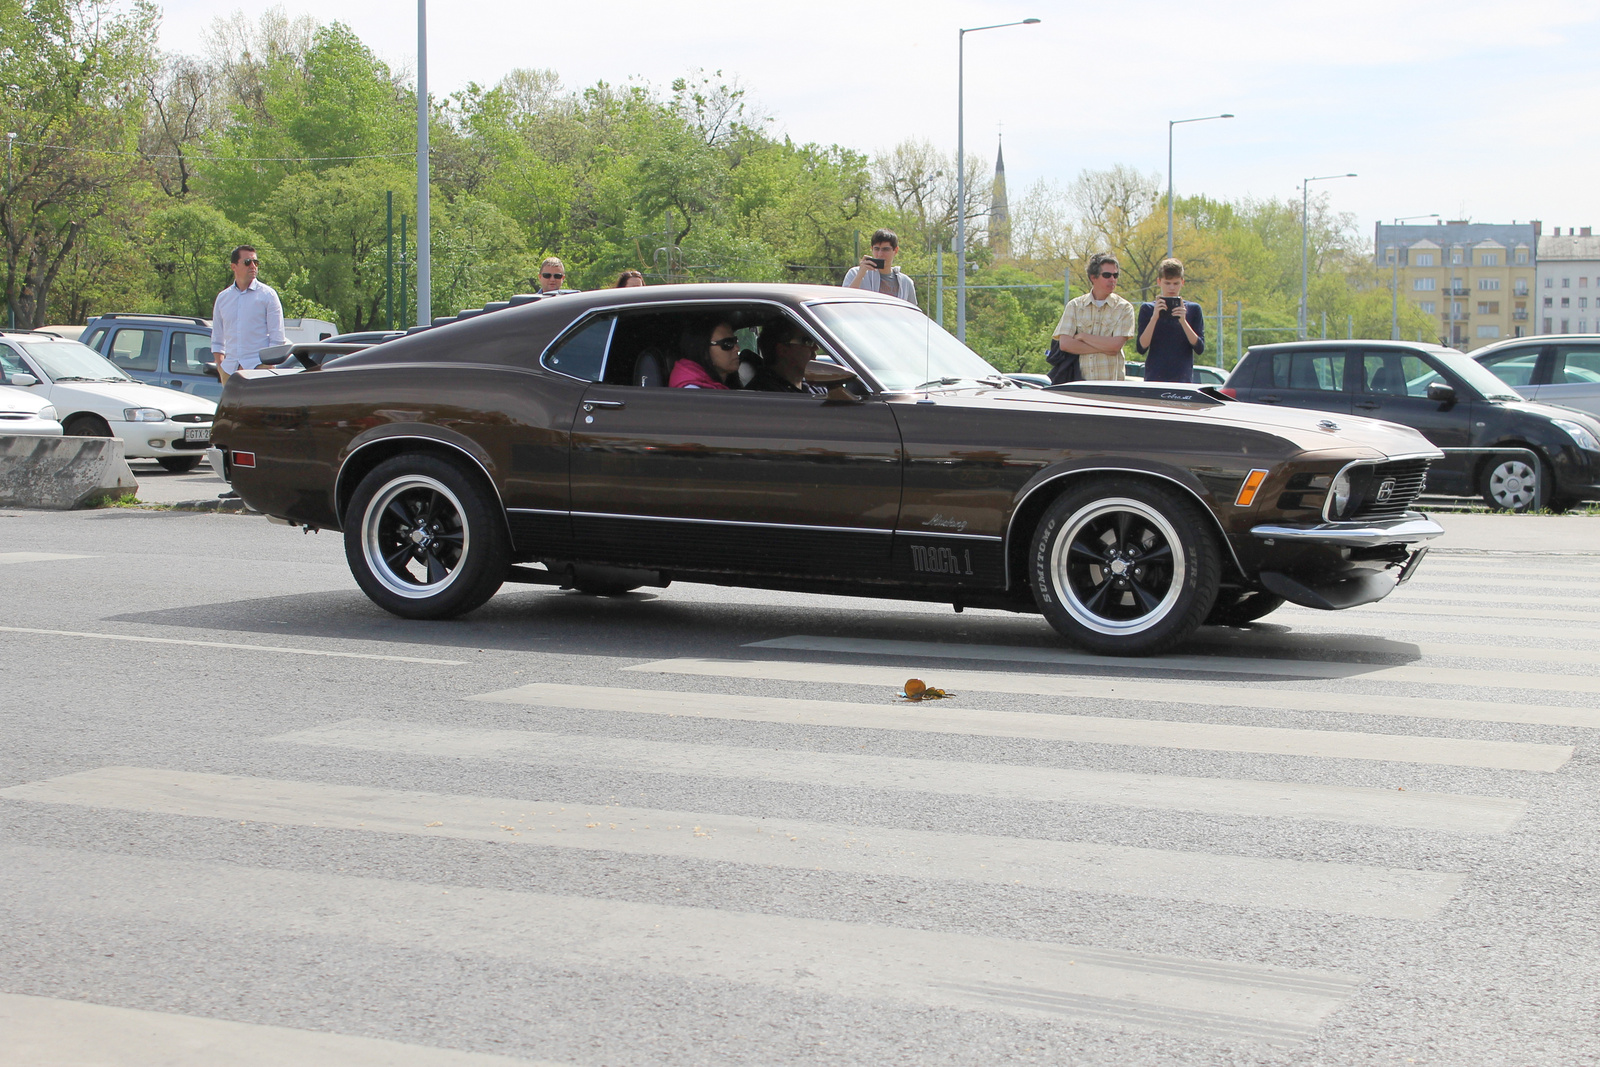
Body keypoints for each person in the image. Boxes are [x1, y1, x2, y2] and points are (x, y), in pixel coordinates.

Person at [210, 245, 287, 382]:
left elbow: (277, 338)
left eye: (255, 262)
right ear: (234, 267)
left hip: (259, 369)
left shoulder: (268, 295)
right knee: (230, 405)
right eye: (247, 262)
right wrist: (220, 367)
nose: (253, 266)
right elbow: (217, 337)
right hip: (230, 371)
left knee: (258, 405)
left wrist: (268, 367)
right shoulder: (223, 298)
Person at [1052, 252, 1135, 381]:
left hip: (1111, 387)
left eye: (1115, 275)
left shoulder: (1124, 308)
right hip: (1079, 385)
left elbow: (1115, 346)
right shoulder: (1074, 306)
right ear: (1093, 277)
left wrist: (1083, 337)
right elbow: (1065, 344)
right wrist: (1105, 347)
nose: (1112, 279)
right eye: (1107, 275)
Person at [1136, 258, 1205, 382]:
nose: (1171, 288)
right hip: (1154, 377)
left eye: (1176, 283)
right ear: (1159, 281)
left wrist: (1183, 321)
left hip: (1183, 379)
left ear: (1182, 282)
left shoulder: (1193, 309)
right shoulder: (1148, 308)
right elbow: (1141, 347)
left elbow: (1199, 348)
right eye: (1167, 283)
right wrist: (1155, 317)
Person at [748, 321, 829, 394]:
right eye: (807, 341)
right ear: (783, 350)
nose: (816, 347)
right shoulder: (766, 395)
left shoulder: (814, 387)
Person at [842, 229, 916, 304]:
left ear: (895, 251)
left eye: (885, 249)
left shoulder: (905, 282)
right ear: (872, 249)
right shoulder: (855, 273)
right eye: (876, 249)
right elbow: (844, 303)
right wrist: (860, 275)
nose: (880, 254)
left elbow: (913, 312)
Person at [668, 320, 742, 390]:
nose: (737, 348)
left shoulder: (718, 384)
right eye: (727, 344)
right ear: (705, 351)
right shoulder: (692, 390)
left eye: (735, 341)